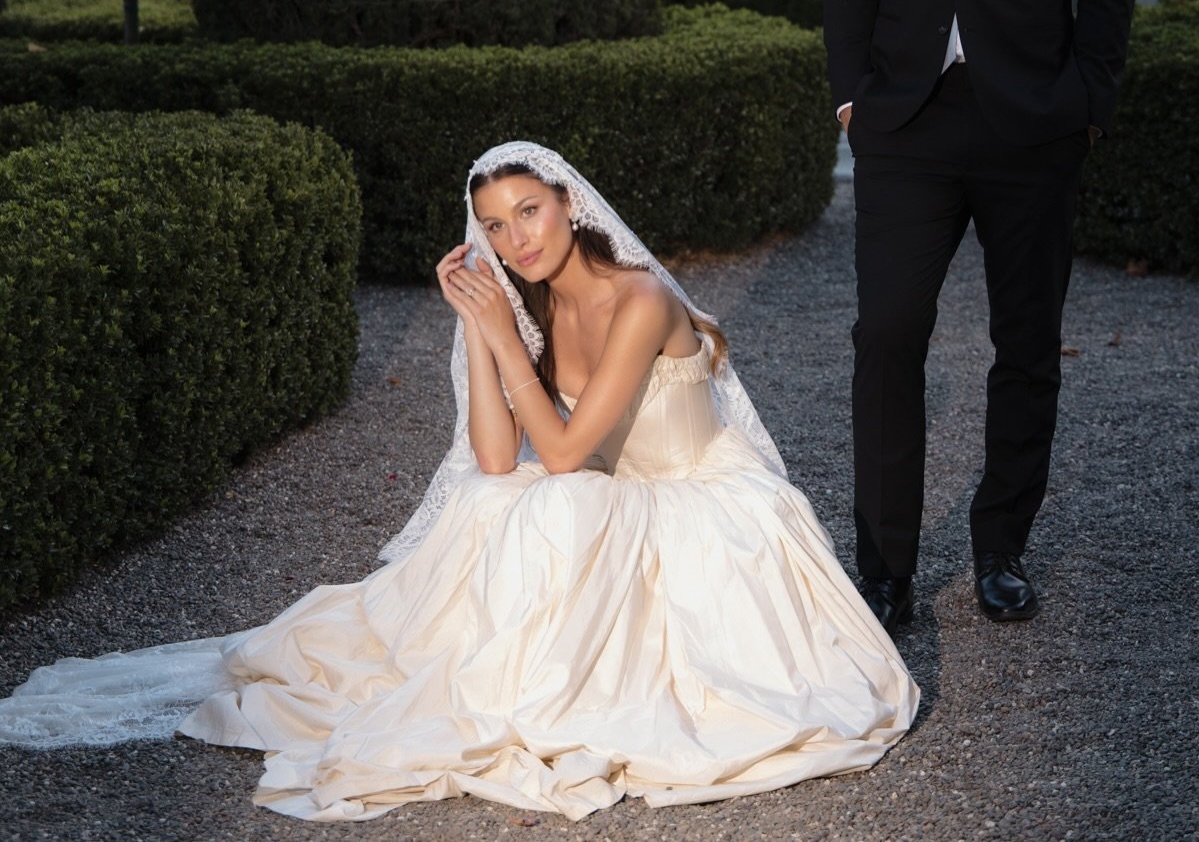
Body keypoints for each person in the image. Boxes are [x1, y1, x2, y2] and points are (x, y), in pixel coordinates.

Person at [0, 141, 916, 820]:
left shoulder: (640, 298)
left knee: (557, 504)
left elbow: (556, 454)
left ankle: (532, 692)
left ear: (569, 203)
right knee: (497, 501)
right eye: (492, 227)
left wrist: (510, 347)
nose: (514, 239)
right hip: (602, 498)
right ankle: (500, 680)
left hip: (704, 508)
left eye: (528, 212)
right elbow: (490, 456)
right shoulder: (535, 304)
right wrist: (484, 327)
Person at [824, 0, 1135, 634]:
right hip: (907, 119)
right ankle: (888, 569)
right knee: (887, 335)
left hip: (1030, 121)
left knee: (1026, 344)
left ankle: (1001, 549)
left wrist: (1086, 98)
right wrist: (850, 88)